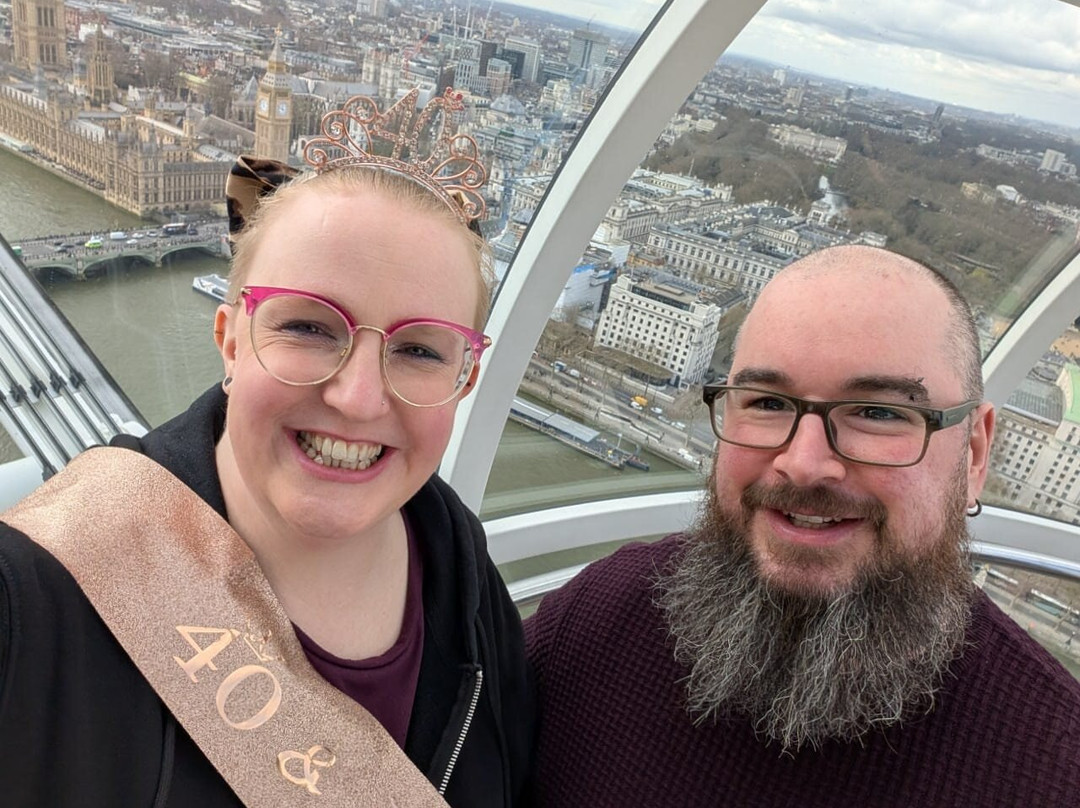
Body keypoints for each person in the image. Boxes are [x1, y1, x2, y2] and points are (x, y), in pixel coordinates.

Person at [0, 90, 533, 807]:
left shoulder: (464, 565)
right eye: (310, 328)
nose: (358, 398)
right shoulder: (37, 591)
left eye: (418, 349)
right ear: (228, 339)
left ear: (464, 380)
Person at [525, 245, 1080, 807]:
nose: (805, 462)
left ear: (974, 455)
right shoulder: (598, 618)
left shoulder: (1057, 770)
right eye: (767, 402)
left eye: (879, 412)